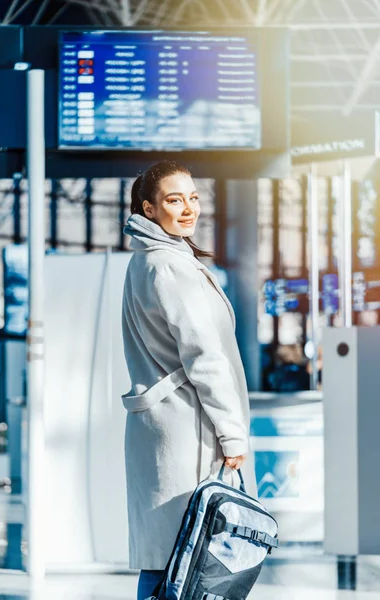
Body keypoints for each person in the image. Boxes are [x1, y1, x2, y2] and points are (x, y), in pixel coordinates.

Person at [121, 160, 257, 600]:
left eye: (193, 197)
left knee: (169, 557)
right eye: (174, 199)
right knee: (185, 557)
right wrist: (233, 435)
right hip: (188, 429)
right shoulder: (169, 266)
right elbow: (205, 358)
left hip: (169, 426)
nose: (188, 208)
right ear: (149, 207)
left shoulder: (151, 261)